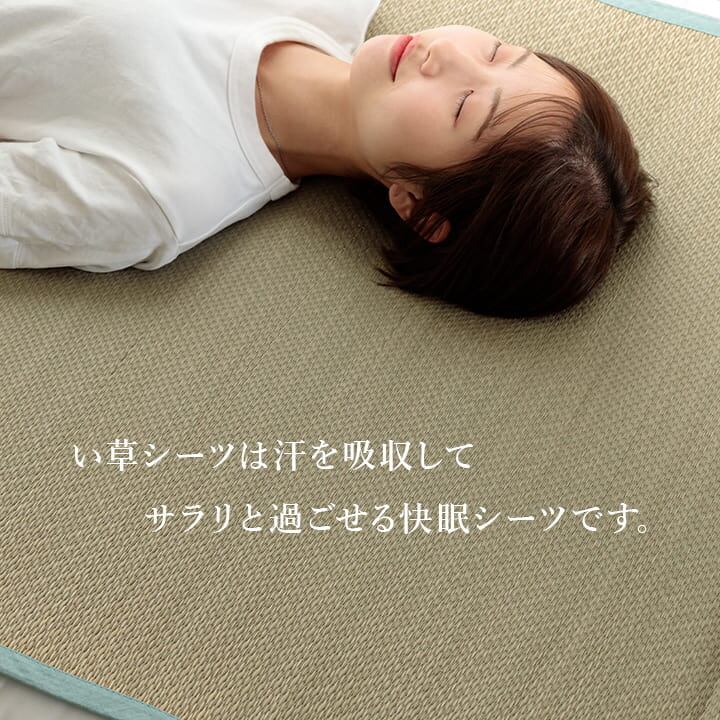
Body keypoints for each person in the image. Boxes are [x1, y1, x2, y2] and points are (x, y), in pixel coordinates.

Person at [0, 1, 656, 318]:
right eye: (496, 52)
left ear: (419, 207)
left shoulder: (157, 195)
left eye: (464, 107)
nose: (448, 54)